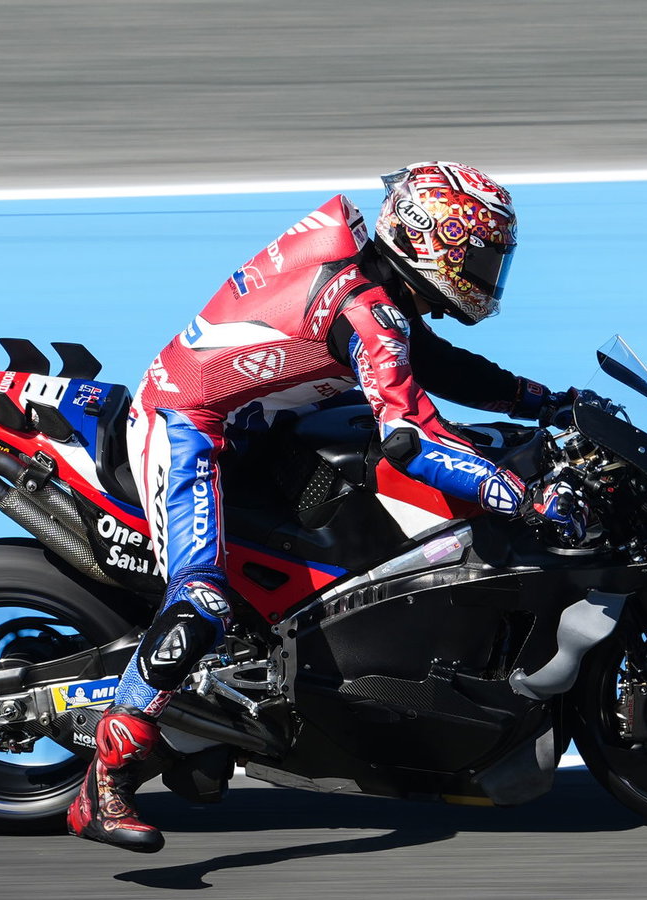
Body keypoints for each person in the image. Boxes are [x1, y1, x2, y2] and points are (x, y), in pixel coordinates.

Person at [67, 161, 589, 851]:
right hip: (189, 426)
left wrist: (546, 401)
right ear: (436, 241)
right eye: (483, 257)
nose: (490, 275)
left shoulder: (378, 290)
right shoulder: (365, 309)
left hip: (260, 423)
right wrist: (521, 500)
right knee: (203, 604)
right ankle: (104, 782)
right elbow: (416, 443)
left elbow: (431, 362)